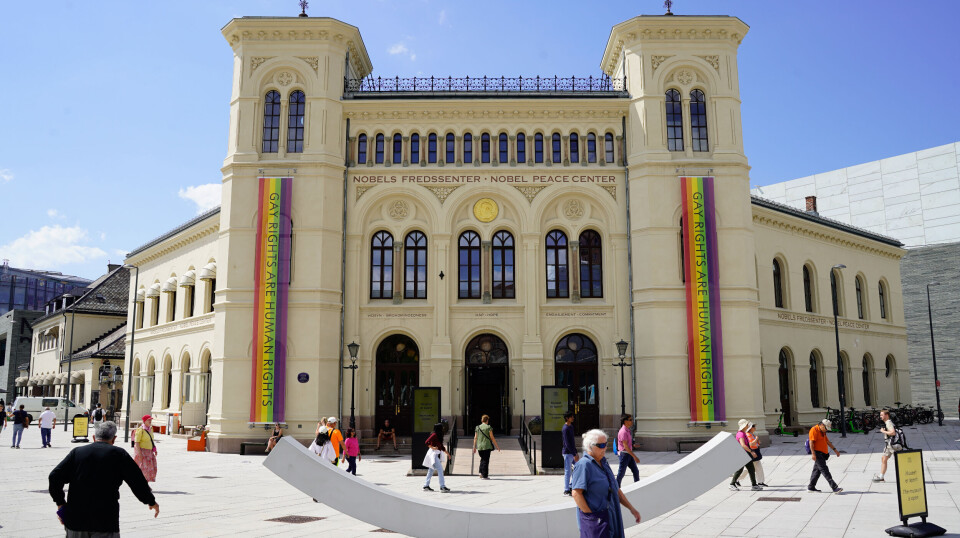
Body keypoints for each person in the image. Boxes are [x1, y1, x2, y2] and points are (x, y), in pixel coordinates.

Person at [49, 421, 159, 535]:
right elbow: (137, 481)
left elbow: (54, 477)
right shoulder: (119, 454)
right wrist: (150, 501)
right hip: (105, 521)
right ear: (114, 439)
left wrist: (60, 503)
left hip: (76, 521)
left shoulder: (77, 452)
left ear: (94, 437)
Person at [571, 429, 641, 537]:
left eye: (606, 444)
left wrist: (632, 509)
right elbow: (576, 493)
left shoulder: (603, 462)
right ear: (590, 446)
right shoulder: (584, 465)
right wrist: (592, 519)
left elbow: (615, 489)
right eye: (601, 445)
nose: (605, 448)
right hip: (598, 521)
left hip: (612, 518)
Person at [808, 419, 842, 493]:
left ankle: (811, 487)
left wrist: (835, 450)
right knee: (824, 470)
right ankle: (834, 487)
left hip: (822, 454)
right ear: (822, 425)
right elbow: (811, 443)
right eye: (826, 428)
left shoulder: (822, 431)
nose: (826, 430)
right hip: (817, 453)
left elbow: (827, 441)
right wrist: (813, 454)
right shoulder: (814, 430)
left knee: (816, 471)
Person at [730, 419, 762, 491]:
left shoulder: (743, 433)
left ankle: (754, 485)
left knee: (751, 469)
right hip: (743, 454)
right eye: (747, 424)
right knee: (740, 470)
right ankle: (732, 484)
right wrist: (751, 452)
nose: (748, 426)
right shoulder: (741, 434)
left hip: (746, 454)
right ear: (744, 426)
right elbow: (743, 445)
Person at [736, 422, 766, 487]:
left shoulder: (751, 434)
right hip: (752, 452)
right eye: (753, 426)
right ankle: (736, 479)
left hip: (755, 451)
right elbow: (750, 444)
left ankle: (760, 482)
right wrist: (756, 440)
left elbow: (755, 443)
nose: (755, 428)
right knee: (748, 469)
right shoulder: (747, 434)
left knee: (758, 467)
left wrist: (757, 442)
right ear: (750, 428)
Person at [422, 423, 450, 492]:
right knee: (440, 469)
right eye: (442, 427)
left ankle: (426, 485)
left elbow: (442, 447)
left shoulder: (439, 435)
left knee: (431, 470)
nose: (443, 429)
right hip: (433, 455)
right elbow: (426, 442)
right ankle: (442, 486)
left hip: (435, 455)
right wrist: (433, 447)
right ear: (439, 428)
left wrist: (448, 454)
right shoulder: (434, 435)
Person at [472, 414, 500, 479]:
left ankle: (481, 473)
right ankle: (485, 475)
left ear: (482, 420)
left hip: (479, 446)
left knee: (482, 459)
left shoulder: (477, 427)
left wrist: (474, 447)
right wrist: (497, 446)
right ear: (487, 420)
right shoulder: (488, 427)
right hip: (487, 446)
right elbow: (492, 438)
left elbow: (475, 438)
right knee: (485, 461)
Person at [615, 414, 639, 487]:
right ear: (625, 421)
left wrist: (633, 445)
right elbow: (625, 446)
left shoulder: (628, 430)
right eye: (630, 420)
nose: (632, 421)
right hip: (624, 454)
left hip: (628, 454)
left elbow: (627, 444)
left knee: (635, 471)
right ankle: (616, 488)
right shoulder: (623, 432)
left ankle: (638, 485)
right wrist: (635, 457)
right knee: (621, 473)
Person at [873, 409, 896, 482]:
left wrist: (883, 431)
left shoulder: (888, 422)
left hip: (892, 445)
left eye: (882, 415)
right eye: (880, 415)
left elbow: (893, 433)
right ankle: (881, 476)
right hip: (889, 444)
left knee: (899, 461)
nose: (880, 416)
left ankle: (906, 474)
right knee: (884, 459)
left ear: (886, 415)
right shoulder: (887, 422)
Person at [134, 415, 158, 482]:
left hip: (149, 452)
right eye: (148, 420)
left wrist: (154, 449)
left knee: (150, 469)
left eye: (151, 420)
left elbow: (151, 439)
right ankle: (143, 484)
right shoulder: (140, 430)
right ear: (144, 421)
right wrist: (139, 454)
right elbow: (137, 442)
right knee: (143, 469)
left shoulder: (150, 429)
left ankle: (146, 483)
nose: (150, 421)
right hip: (142, 451)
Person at [562, 411, 579, 496]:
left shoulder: (571, 427)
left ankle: (571, 485)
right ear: (567, 418)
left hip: (572, 452)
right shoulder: (565, 428)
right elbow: (567, 443)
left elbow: (572, 442)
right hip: (567, 453)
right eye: (571, 417)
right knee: (568, 471)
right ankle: (566, 489)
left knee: (578, 468)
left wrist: (575, 452)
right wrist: (574, 454)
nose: (573, 418)